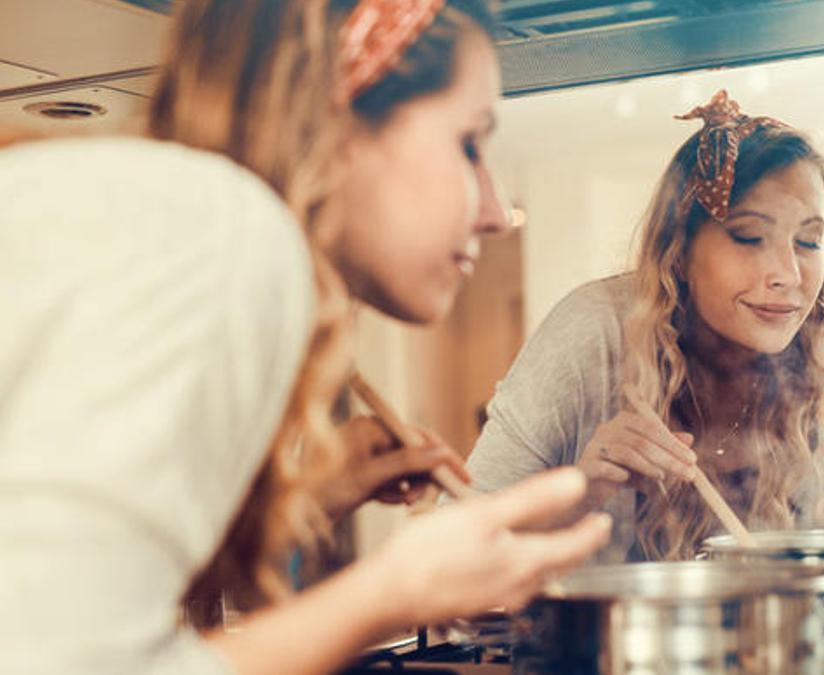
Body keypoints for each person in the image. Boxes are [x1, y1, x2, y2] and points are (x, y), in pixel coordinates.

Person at [0, 0, 611, 673]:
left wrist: (297, 503)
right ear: (332, 116)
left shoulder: (178, 218)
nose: (495, 210)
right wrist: (392, 589)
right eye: (469, 143)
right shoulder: (226, 235)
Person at [466, 90, 824, 562]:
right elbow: (461, 540)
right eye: (749, 237)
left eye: (809, 241)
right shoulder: (593, 331)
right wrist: (584, 491)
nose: (788, 273)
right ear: (678, 248)